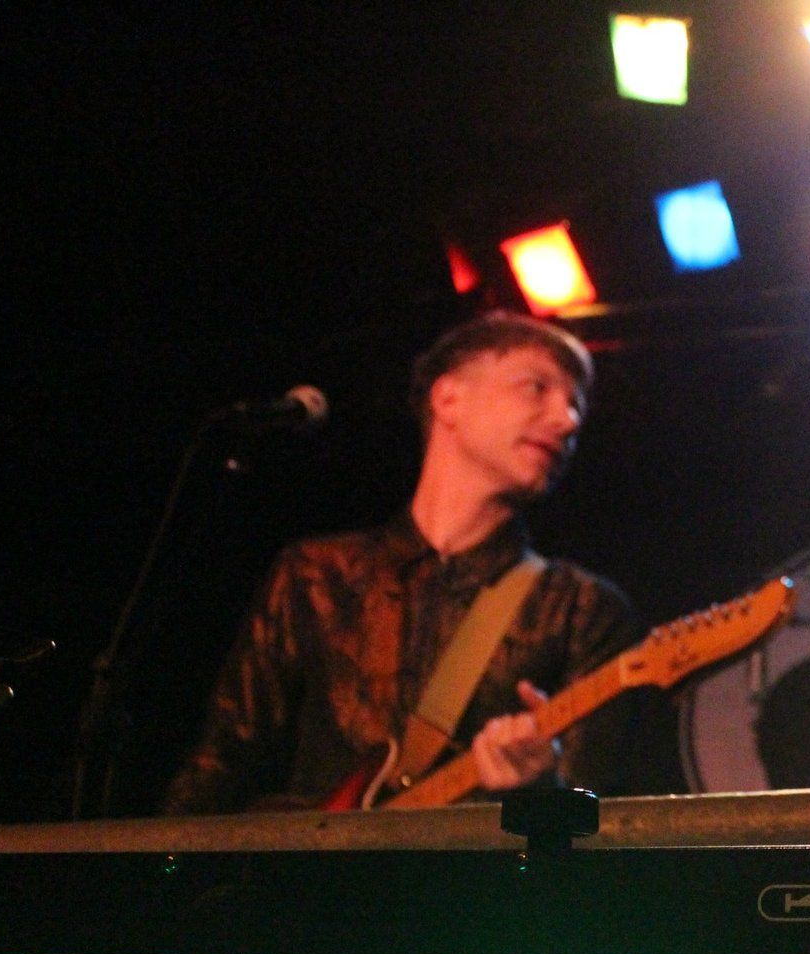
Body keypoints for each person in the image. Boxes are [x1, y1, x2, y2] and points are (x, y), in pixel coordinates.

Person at [164, 310, 638, 815]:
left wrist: (543, 787)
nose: (567, 419)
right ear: (449, 398)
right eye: (536, 388)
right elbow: (219, 764)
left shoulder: (582, 608)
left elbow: (600, 822)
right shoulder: (315, 572)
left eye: (575, 405)